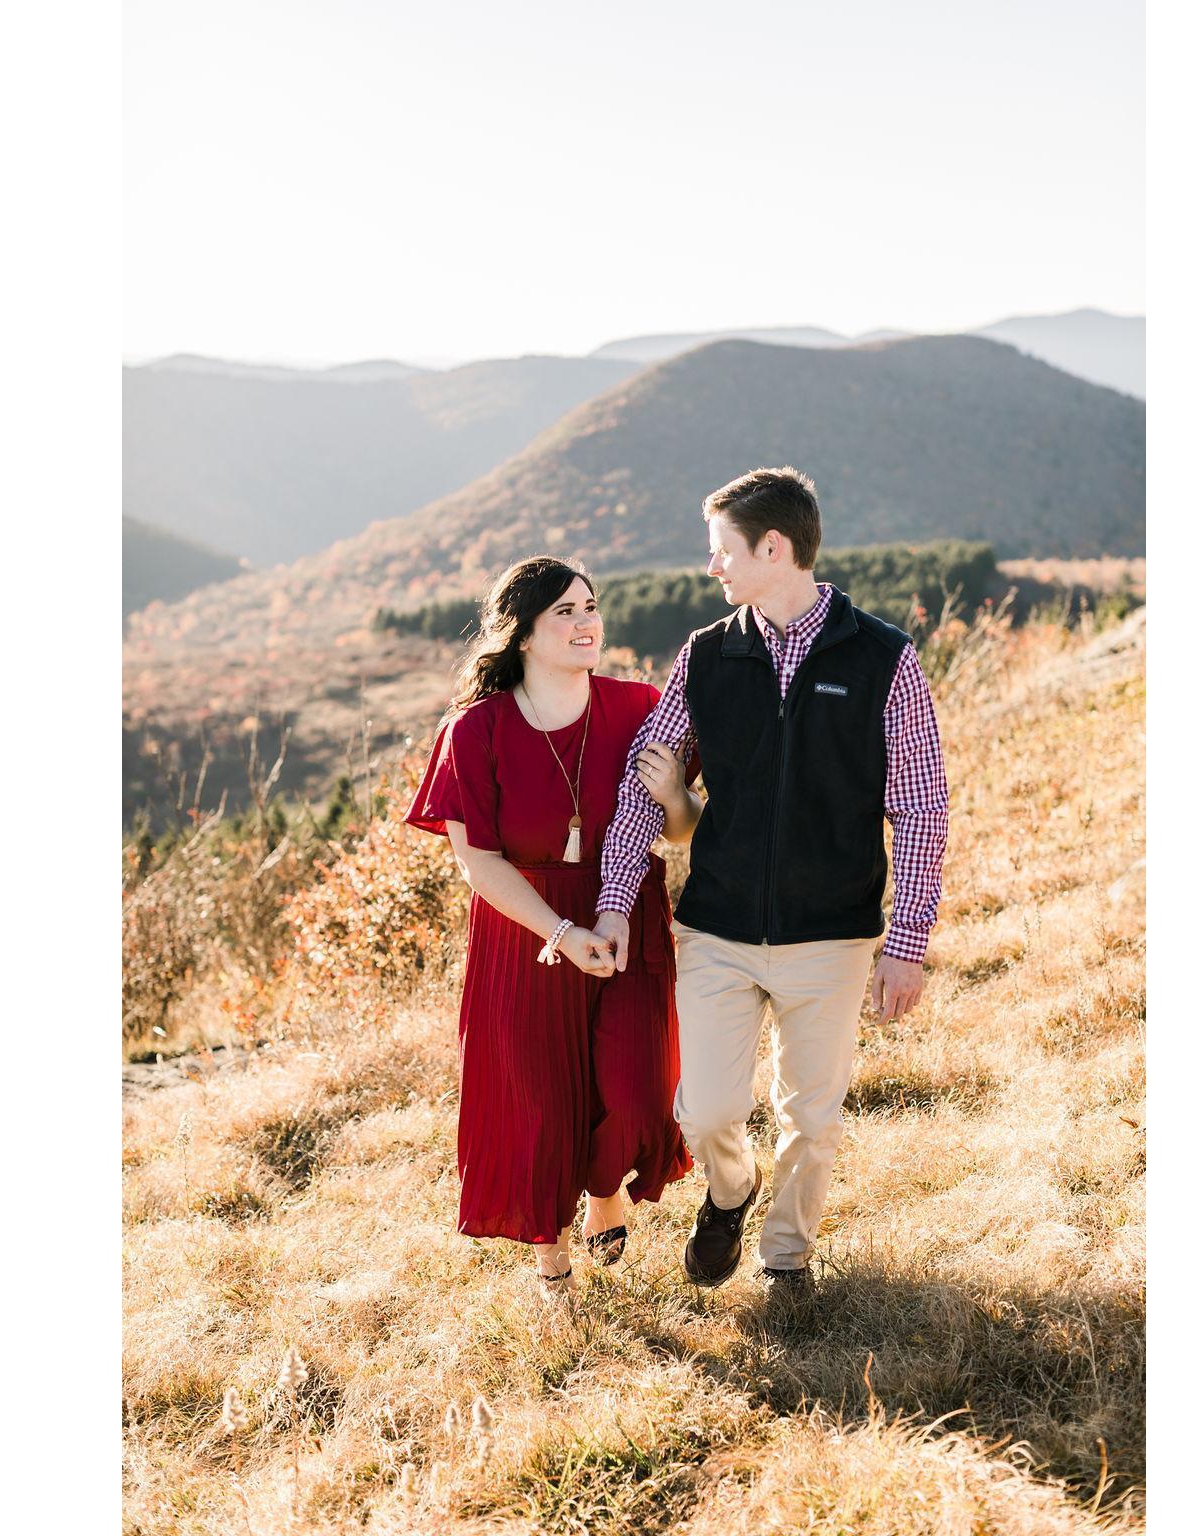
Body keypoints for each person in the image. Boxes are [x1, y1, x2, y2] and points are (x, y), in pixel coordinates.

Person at [592, 467, 949, 1299]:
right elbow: (645, 786)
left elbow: (921, 810)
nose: (711, 565)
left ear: (774, 548)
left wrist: (906, 943)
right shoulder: (706, 655)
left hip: (832, 934)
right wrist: (614, 901)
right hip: (716, 927)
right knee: (706, 1111)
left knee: (811, 1119)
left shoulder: (884, 660)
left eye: (722, 549)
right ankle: (730, 1190)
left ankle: (786, 1257)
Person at [405, 555, 697, 1301]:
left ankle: (606, 1189)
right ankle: (553, 1264)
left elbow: (681, 829)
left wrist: (675, 798)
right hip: (525, 931)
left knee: (636, 1088)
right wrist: (560, 933)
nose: (586, 621)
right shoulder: (474, 730)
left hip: (627, 916)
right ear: (523, 632)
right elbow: (478, 862)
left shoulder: (640, 706)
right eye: (565, 611)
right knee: (537, 1103)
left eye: (591, 606)